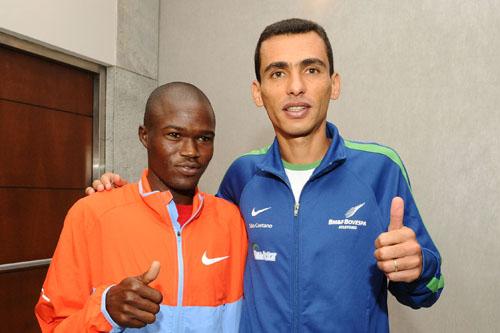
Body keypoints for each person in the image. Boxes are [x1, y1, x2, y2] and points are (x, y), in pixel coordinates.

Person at [88, 18, 444, 332]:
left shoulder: (380, 169)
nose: (295, 86)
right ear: (258, 93)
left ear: (334, 84)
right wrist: (126, 197)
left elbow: (427, 292)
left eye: (311, 69)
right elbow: (190, 234)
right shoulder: (242, 175)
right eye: (278, 72)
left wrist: (418, 267)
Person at [35, 82, 247, 332]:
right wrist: (105, 311)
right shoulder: (92, 215)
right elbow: (53, 326)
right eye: (174, 135)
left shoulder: (231, 220)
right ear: (145, 136)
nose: (191, 151)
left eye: (203, 138)